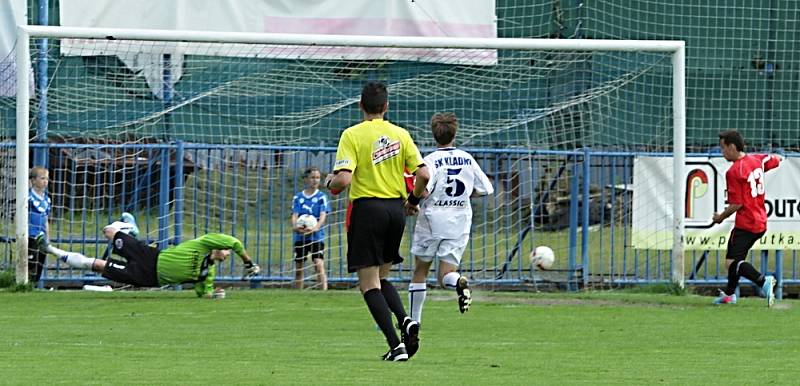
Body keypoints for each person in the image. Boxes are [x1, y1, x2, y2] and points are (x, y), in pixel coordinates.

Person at [325, 81, 430, 361]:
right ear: (386, 107)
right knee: (382, 277)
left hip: (368, 210)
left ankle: (396, 346)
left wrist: (330, 182)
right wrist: (413, 201)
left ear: (361, 105)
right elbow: (424, 175)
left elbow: (344, 179)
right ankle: (406, 320)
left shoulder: (352, 134)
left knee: (368, 284)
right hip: (395, 211)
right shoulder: (401, 134)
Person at [37, 214, 261, 298]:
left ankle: (50, 249)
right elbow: (234, 241)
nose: (227, 253)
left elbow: (204, 293)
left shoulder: (207, 272)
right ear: (217, 247)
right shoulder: (203, 244)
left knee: (97, 266)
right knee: (109, 231)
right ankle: (130, 231)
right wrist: (248, 262)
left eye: (228, 254)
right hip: (152, 257)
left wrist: (215, 295)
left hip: (147, 278)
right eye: (225, 251)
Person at [408, 112, 494, 324]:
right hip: (459, 221)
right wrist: (466, 195)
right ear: (455, 133)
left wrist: (411, 201)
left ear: (433, 134)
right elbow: (486, 189)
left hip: (432, 220)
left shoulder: (430, 160)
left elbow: (424, 190)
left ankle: (414, 322)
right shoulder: (467, 158)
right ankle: (457, 283)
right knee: (446, 273)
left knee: (420, 271)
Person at [712, 130, 780, 307]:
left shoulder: (734, 171)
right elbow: (774, 160)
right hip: (760, 221)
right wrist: (778, 159)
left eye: (723, 148)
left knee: (731, 263)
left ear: (732, 147)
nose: (722, 152)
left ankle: (763, 281)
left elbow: (737, 204)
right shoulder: (757, 160)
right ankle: (729, 295)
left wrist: (720, 217)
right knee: (736, 259)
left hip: (746, 223)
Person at [291, 166, 329, 290]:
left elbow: (323, 215)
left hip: (316, 237)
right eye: (312, 177)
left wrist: (316, 227)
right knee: (299, 267)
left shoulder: (321, 197)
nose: (315, 180)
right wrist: (296, 226)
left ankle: (324, 291)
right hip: (300, 237)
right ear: (306, 179)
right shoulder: (298, 197)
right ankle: (298, 292)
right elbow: (295, 215)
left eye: (317, 178)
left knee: (318, 264)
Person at [27, 166, 52, 284]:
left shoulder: (47, 199)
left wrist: (48, 237)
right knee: (31, 262)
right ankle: (27, 285)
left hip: (41, 236)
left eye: (46, 179)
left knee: (40, 262)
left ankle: (35, 285)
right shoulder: (28, 197)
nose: (45, 181)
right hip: (31, 235)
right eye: (42, 178)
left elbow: (46, 219)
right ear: (33, 180)